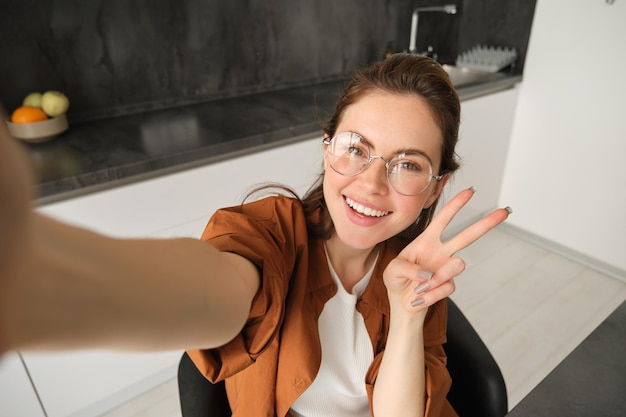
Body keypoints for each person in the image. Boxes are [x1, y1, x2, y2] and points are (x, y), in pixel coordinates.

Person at [0, 54, 510, 417]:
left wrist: (406, 311)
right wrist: (38, 276)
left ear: (434, 189)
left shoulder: (418, 269)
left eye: (408, 165)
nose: (371, 184)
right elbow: (214, 289)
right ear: (328, 146)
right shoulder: (269, 234)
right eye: (356, 148)